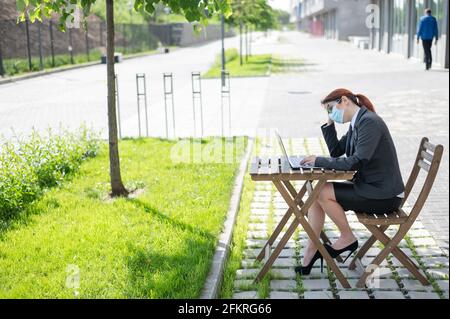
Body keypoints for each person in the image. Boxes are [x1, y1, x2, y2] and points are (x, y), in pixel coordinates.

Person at [295, 88, 405, 275]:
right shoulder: (358, 122)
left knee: (321, 192)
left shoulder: (369, 122)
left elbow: (356, 161)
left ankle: (347, 237)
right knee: (315, 193)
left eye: (331, 109)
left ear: (344, 100)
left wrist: (318, 161)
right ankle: (312, 250)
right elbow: (337, 151)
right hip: (371, 188)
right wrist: (330, 122)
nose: (331, 114)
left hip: (384, 195)